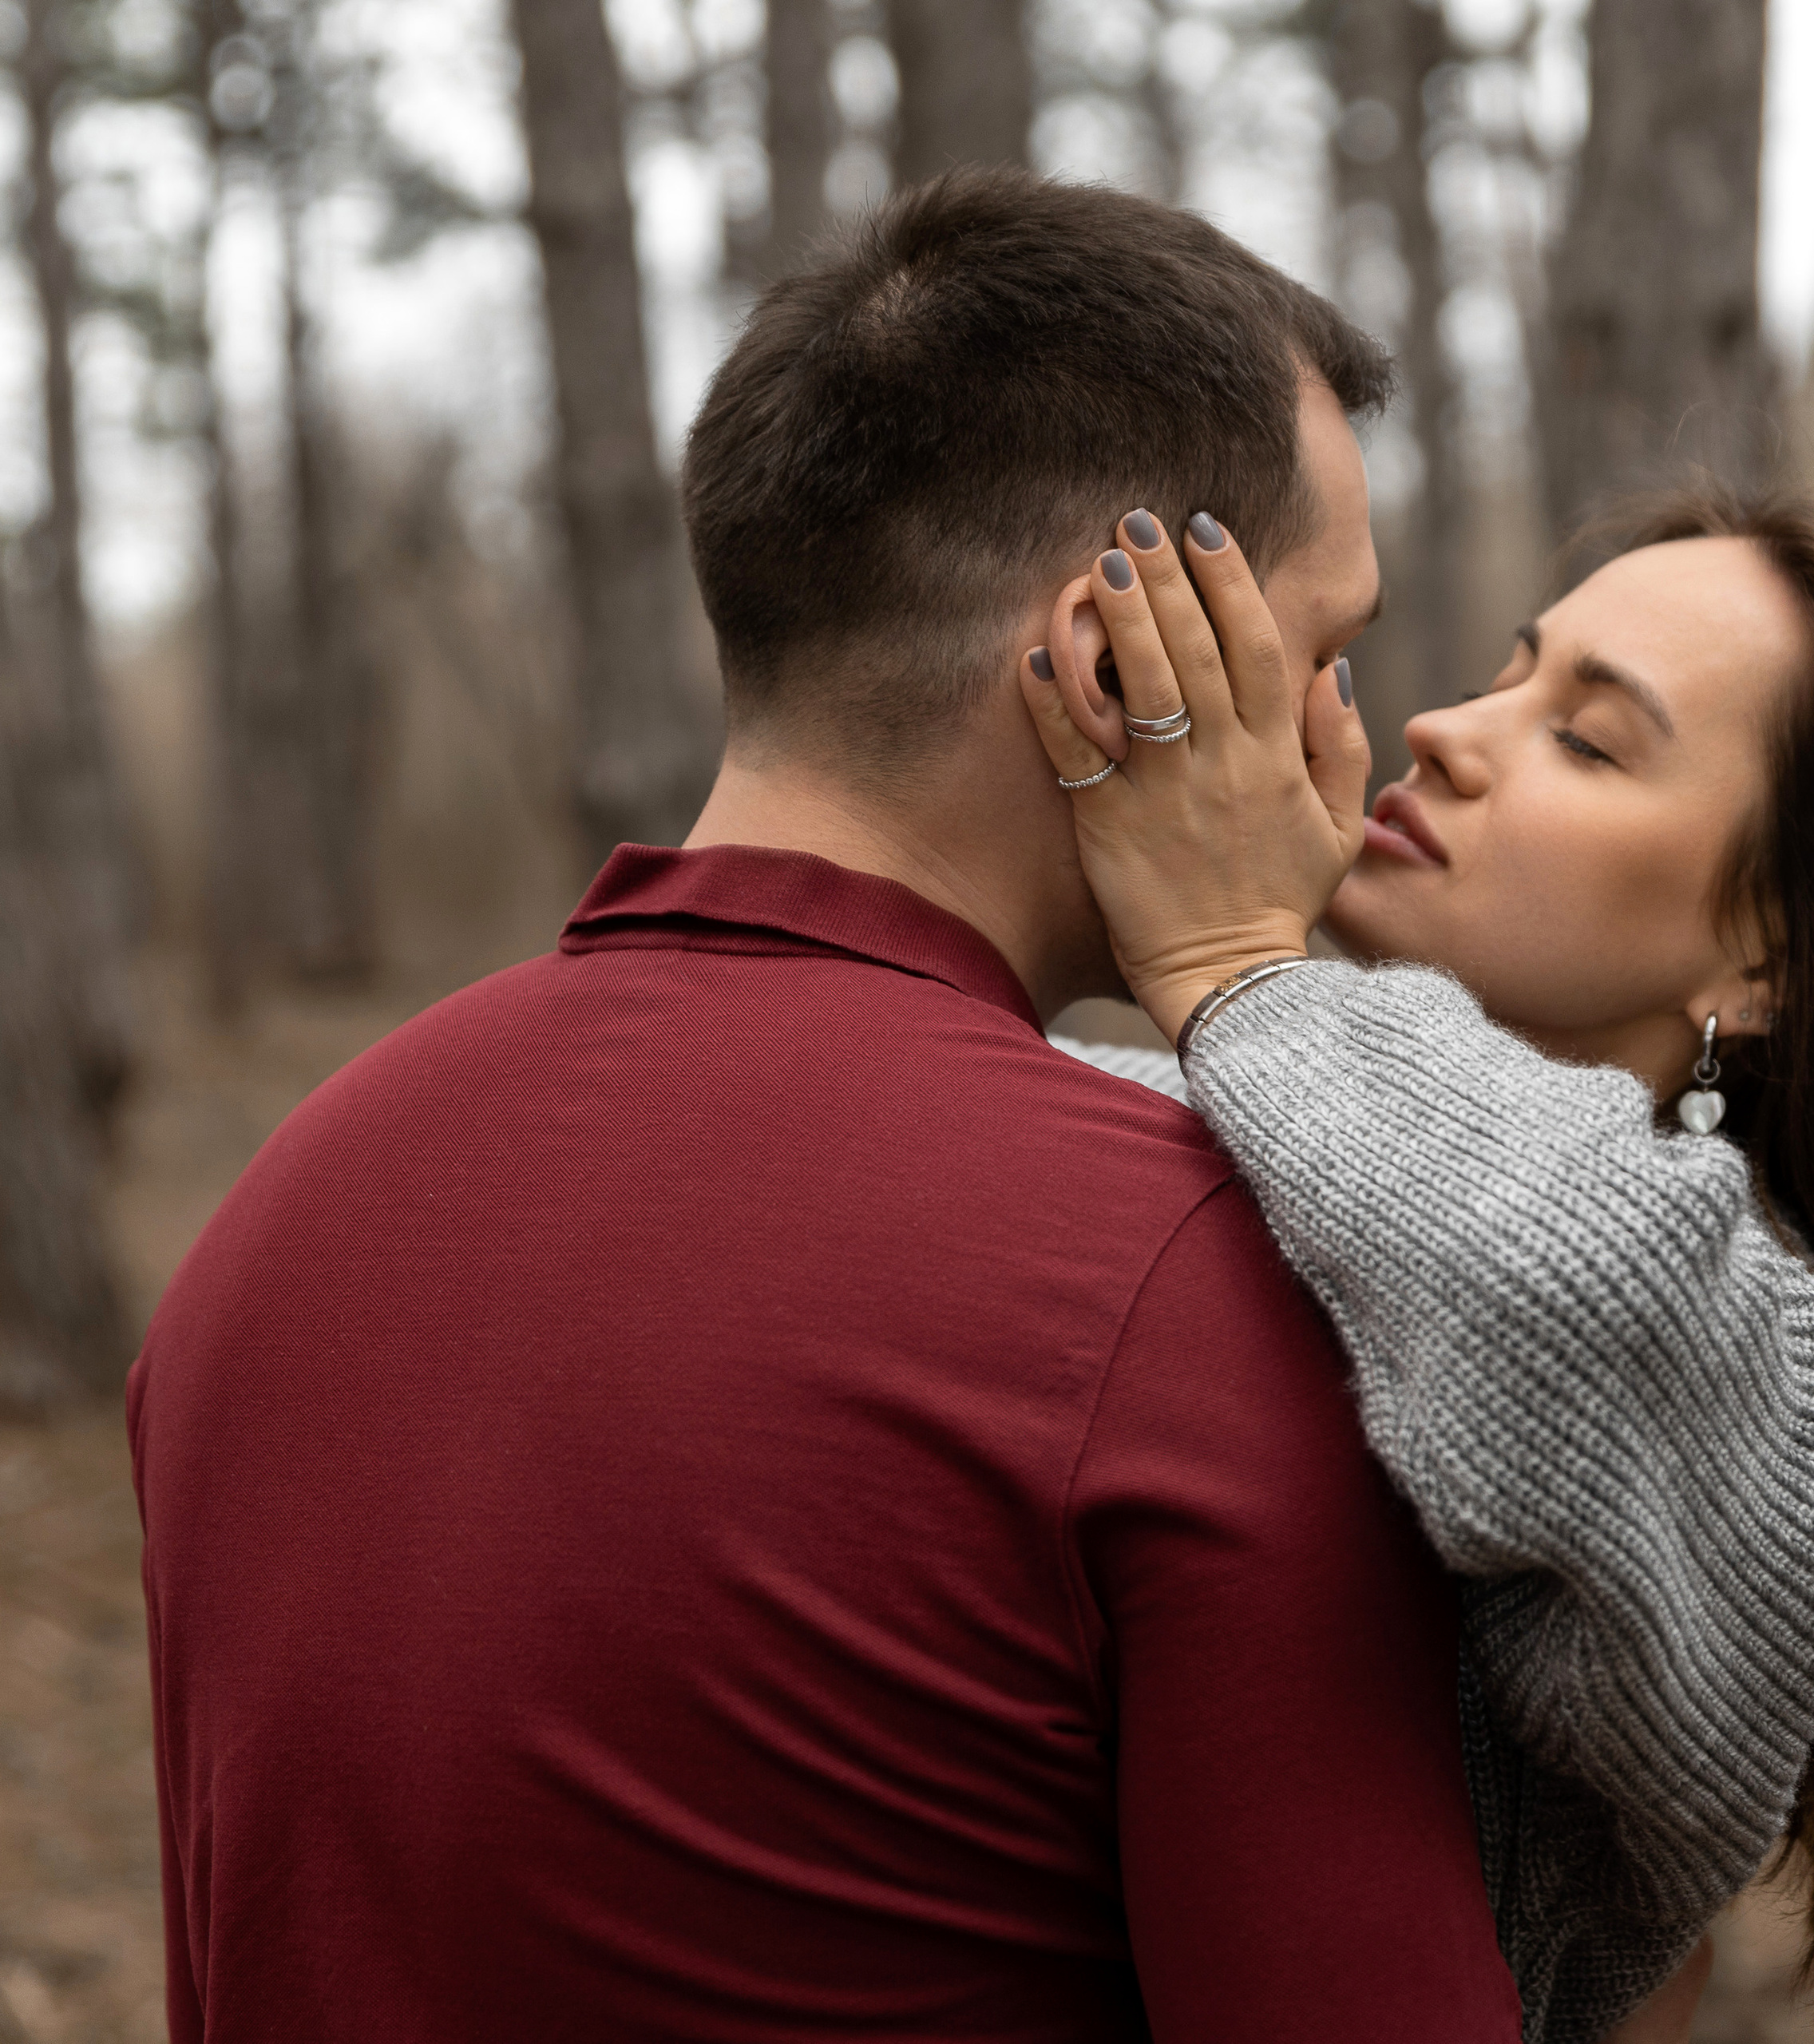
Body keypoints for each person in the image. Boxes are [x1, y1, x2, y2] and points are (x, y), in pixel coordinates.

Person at [128, 171, 1525, 2042]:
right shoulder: (1183, 1277)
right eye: (1322, 651)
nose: (1352, 746)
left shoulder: (275, 1216)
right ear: (1125, 673)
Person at [1023, 485, 1814, 2044]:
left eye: (1584, 737)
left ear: (1760, 953)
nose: (1436, 727)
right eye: (1504, 673)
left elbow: (1565, 1282)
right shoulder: (1178, 1110)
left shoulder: (1774, 1372)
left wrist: (1233, 960)